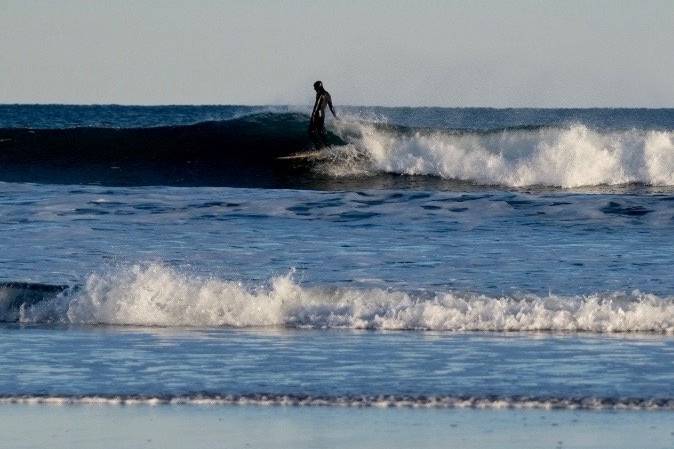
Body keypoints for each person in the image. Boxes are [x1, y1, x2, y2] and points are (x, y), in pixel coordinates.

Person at [309, 81, 337, 148]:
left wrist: (312, 116)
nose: (314, 89)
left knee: (311, 131)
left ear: (318, 87)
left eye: (315, 87)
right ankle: (327, 146)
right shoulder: (328, 94)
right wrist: (335, 116)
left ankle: (319, 147)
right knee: (321, 131)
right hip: (322, 115)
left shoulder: (320, 94)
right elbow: (331, 107)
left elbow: (316, 105)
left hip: (317, 114)